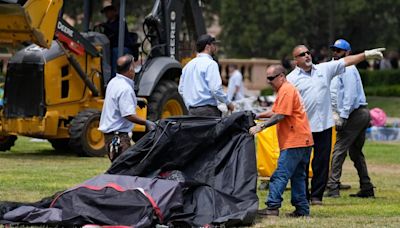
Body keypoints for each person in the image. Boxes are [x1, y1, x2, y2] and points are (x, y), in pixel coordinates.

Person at [286, 44, 384, 205]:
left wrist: (366, 54)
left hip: (324, 125)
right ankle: (302, 196)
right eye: (302, 54)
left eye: (308, 52)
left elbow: (346, 62)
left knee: (321, 162)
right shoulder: (291, 79)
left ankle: (317, 197)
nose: (307, 56)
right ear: (295, 60)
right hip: (303, 126)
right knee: (302, 164)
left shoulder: (323, 69)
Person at [250, 65, 313, 217]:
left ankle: (272, 207)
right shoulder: (286, 89)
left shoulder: (286, 90)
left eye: (271, 78)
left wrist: (261, 127)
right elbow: (275, 111)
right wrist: (257, 115)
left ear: (281, 76)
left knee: (280, 175)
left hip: (295, 140)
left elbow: (280, 116)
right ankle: (302, 210)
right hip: (304, 140)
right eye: (268, 78)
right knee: (298, 176)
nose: (269, 81)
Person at [326, 39, 375, 198]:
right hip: (359, 114)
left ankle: (333, 188)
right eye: (334, 50)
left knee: (339, 150)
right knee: (355, 152)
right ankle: (366, 187)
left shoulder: (347, 68)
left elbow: (350, 94)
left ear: (347, 53)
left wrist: (343, 116)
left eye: (339, 51)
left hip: (354, 114)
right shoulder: (337, 66)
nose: (335, 53)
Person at [99, 54, 156, 161]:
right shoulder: (125, 88)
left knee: (119, 171)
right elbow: (128, 115)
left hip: (110, 136)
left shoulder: (114, 82)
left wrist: (135, 100)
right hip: (119, 138)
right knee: (124, 173)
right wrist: (146, 122)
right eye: (134, 66)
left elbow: (116, 101)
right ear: (130, 69)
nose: (135, 69)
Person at [178, 34, 234, 117]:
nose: (215, 48)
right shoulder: (211, 64)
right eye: (214, 45)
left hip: (191, 111)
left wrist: (190, 104)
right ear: (208, 47)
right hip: (208, 112)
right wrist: (228, 103)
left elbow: (181, 89)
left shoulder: (188, 66)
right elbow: (215, 89)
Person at [100, 5, 135, 78]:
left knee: (115, 51)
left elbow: (115, 31)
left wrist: (105, 25)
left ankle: (114, 77)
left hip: (124, 47)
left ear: (114, 12)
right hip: (112, 48)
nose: (106, 14)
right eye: (105, 12)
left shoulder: (121, 22)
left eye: (108, 11)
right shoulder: (108, 23)